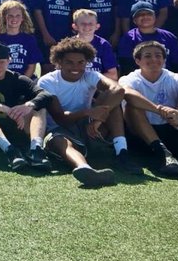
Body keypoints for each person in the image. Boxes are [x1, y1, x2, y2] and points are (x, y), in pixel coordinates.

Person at [36, 38, 131, 186]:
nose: (76, 67)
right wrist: (87, 112)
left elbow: (118, 90)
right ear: (59, 62)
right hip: (58, 128)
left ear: (87, 62)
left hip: (87, 126)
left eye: (81, 62)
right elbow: (60, 118)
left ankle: (122, 154)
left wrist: (96, 120)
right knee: (60, 141)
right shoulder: (47, 81)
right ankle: (84, 168)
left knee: (114, 106)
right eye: (69, 62)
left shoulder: (91, 75)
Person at [120, 40, 178, 178]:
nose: (154, 59)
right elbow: (128, 94)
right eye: (148, 56)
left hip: (172, 128)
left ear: (164, 59)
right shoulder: (129, 79)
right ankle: (163, 154)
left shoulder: (174, 77)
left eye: (158, 55)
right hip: (142, 134)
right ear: (138, 61)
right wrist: (159, 110)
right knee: (133, 106)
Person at [0, 41, 51, 171]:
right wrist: (3, 108)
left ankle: (36, 150)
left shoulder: (17, 78)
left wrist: (28, 105)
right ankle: (9, 150)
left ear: (9, 61)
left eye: (2, 62)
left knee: (39, 107)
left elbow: (45, 95)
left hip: (17, 126)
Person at [117, 2, 178, 74]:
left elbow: (177, 64)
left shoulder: (169, 37)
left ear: (155, 17)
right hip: (139, 81)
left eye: (149, 14)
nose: (145, 17)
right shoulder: (128, 39)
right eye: (140, 15)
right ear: (134, 20)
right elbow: (126, 67)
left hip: (167, 79)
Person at [0, 0, 42, 78]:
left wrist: (20, 83)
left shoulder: (29, 39)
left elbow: (31, 67)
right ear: (3, 17)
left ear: (23, 18)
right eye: (10, 16)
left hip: (24, 81)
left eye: (18, 15)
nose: (14, 19)